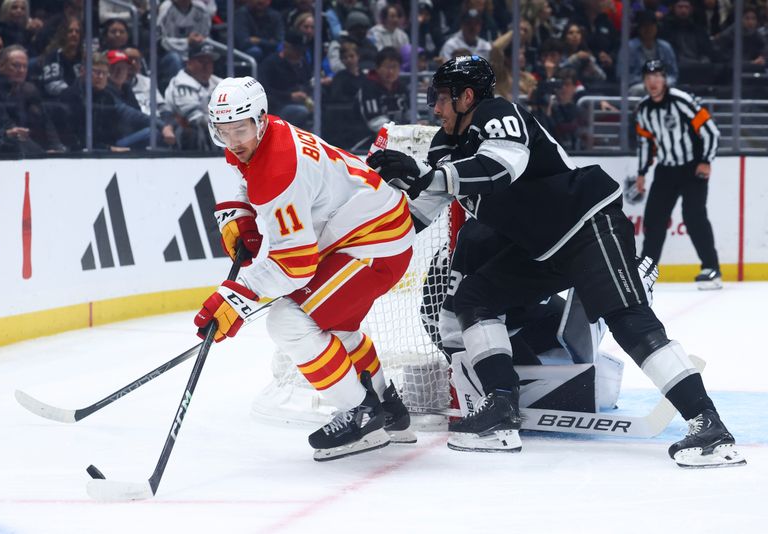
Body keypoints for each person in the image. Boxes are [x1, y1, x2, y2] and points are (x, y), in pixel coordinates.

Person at [366, 55, 744, 468]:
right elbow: (419, 214)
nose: (434, 108)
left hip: (586, 224)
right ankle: (501, 411)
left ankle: (708, 425)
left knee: (627, 320)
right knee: (474, 298)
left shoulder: (499, 113)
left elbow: (497, 169)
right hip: (540, 246)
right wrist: (360, 232)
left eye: (440, 97)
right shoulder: (445, 145)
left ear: (466, 96)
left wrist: (424, 174)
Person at [194, 76, 416, 460]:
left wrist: (237, 296)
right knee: (330, 324)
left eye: (240, 130)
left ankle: (360, 413)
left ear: (260, 119)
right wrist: (243, 211)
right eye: (223, 132)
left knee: (288, 321)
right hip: (365, 227)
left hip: (374, 243)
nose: (233, 142)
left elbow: (295, 267)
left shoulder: (280, 168)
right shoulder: (262, 137)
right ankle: (387, 408)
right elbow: (250, 179)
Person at [634, 59, 722, 290]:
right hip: (666, 169)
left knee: (694, 217)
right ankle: (647, 272)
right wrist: (642, 173)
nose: (652, 81)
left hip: (693, 167)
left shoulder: (681, 100)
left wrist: (705, 160)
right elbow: (646, 143)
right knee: (653, 220)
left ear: (665, 79)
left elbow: (711, 130)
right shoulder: (643, 109)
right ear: (644, 81)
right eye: (648, 77)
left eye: (657, 76)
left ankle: (711, 269)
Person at [164, 41, 221, 150]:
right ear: (189, 63)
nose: (206, 66)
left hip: (216, 130)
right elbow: (195, 119)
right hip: (185, 136)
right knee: (192, 131)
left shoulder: (219, 83)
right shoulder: (181, 84)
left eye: (209, 62)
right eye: (201, 61)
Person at [619, 9, 678, 94]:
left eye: (651, 26)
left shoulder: (665, 47)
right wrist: (648, 81)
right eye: (644, 26)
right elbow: (623, 75)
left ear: (656, 27)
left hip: (662, 85)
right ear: (639, 29)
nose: (648, 29)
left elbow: (673, 74)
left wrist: (662, 81)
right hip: (638, 86)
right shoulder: (629, 48)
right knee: (641, 90)